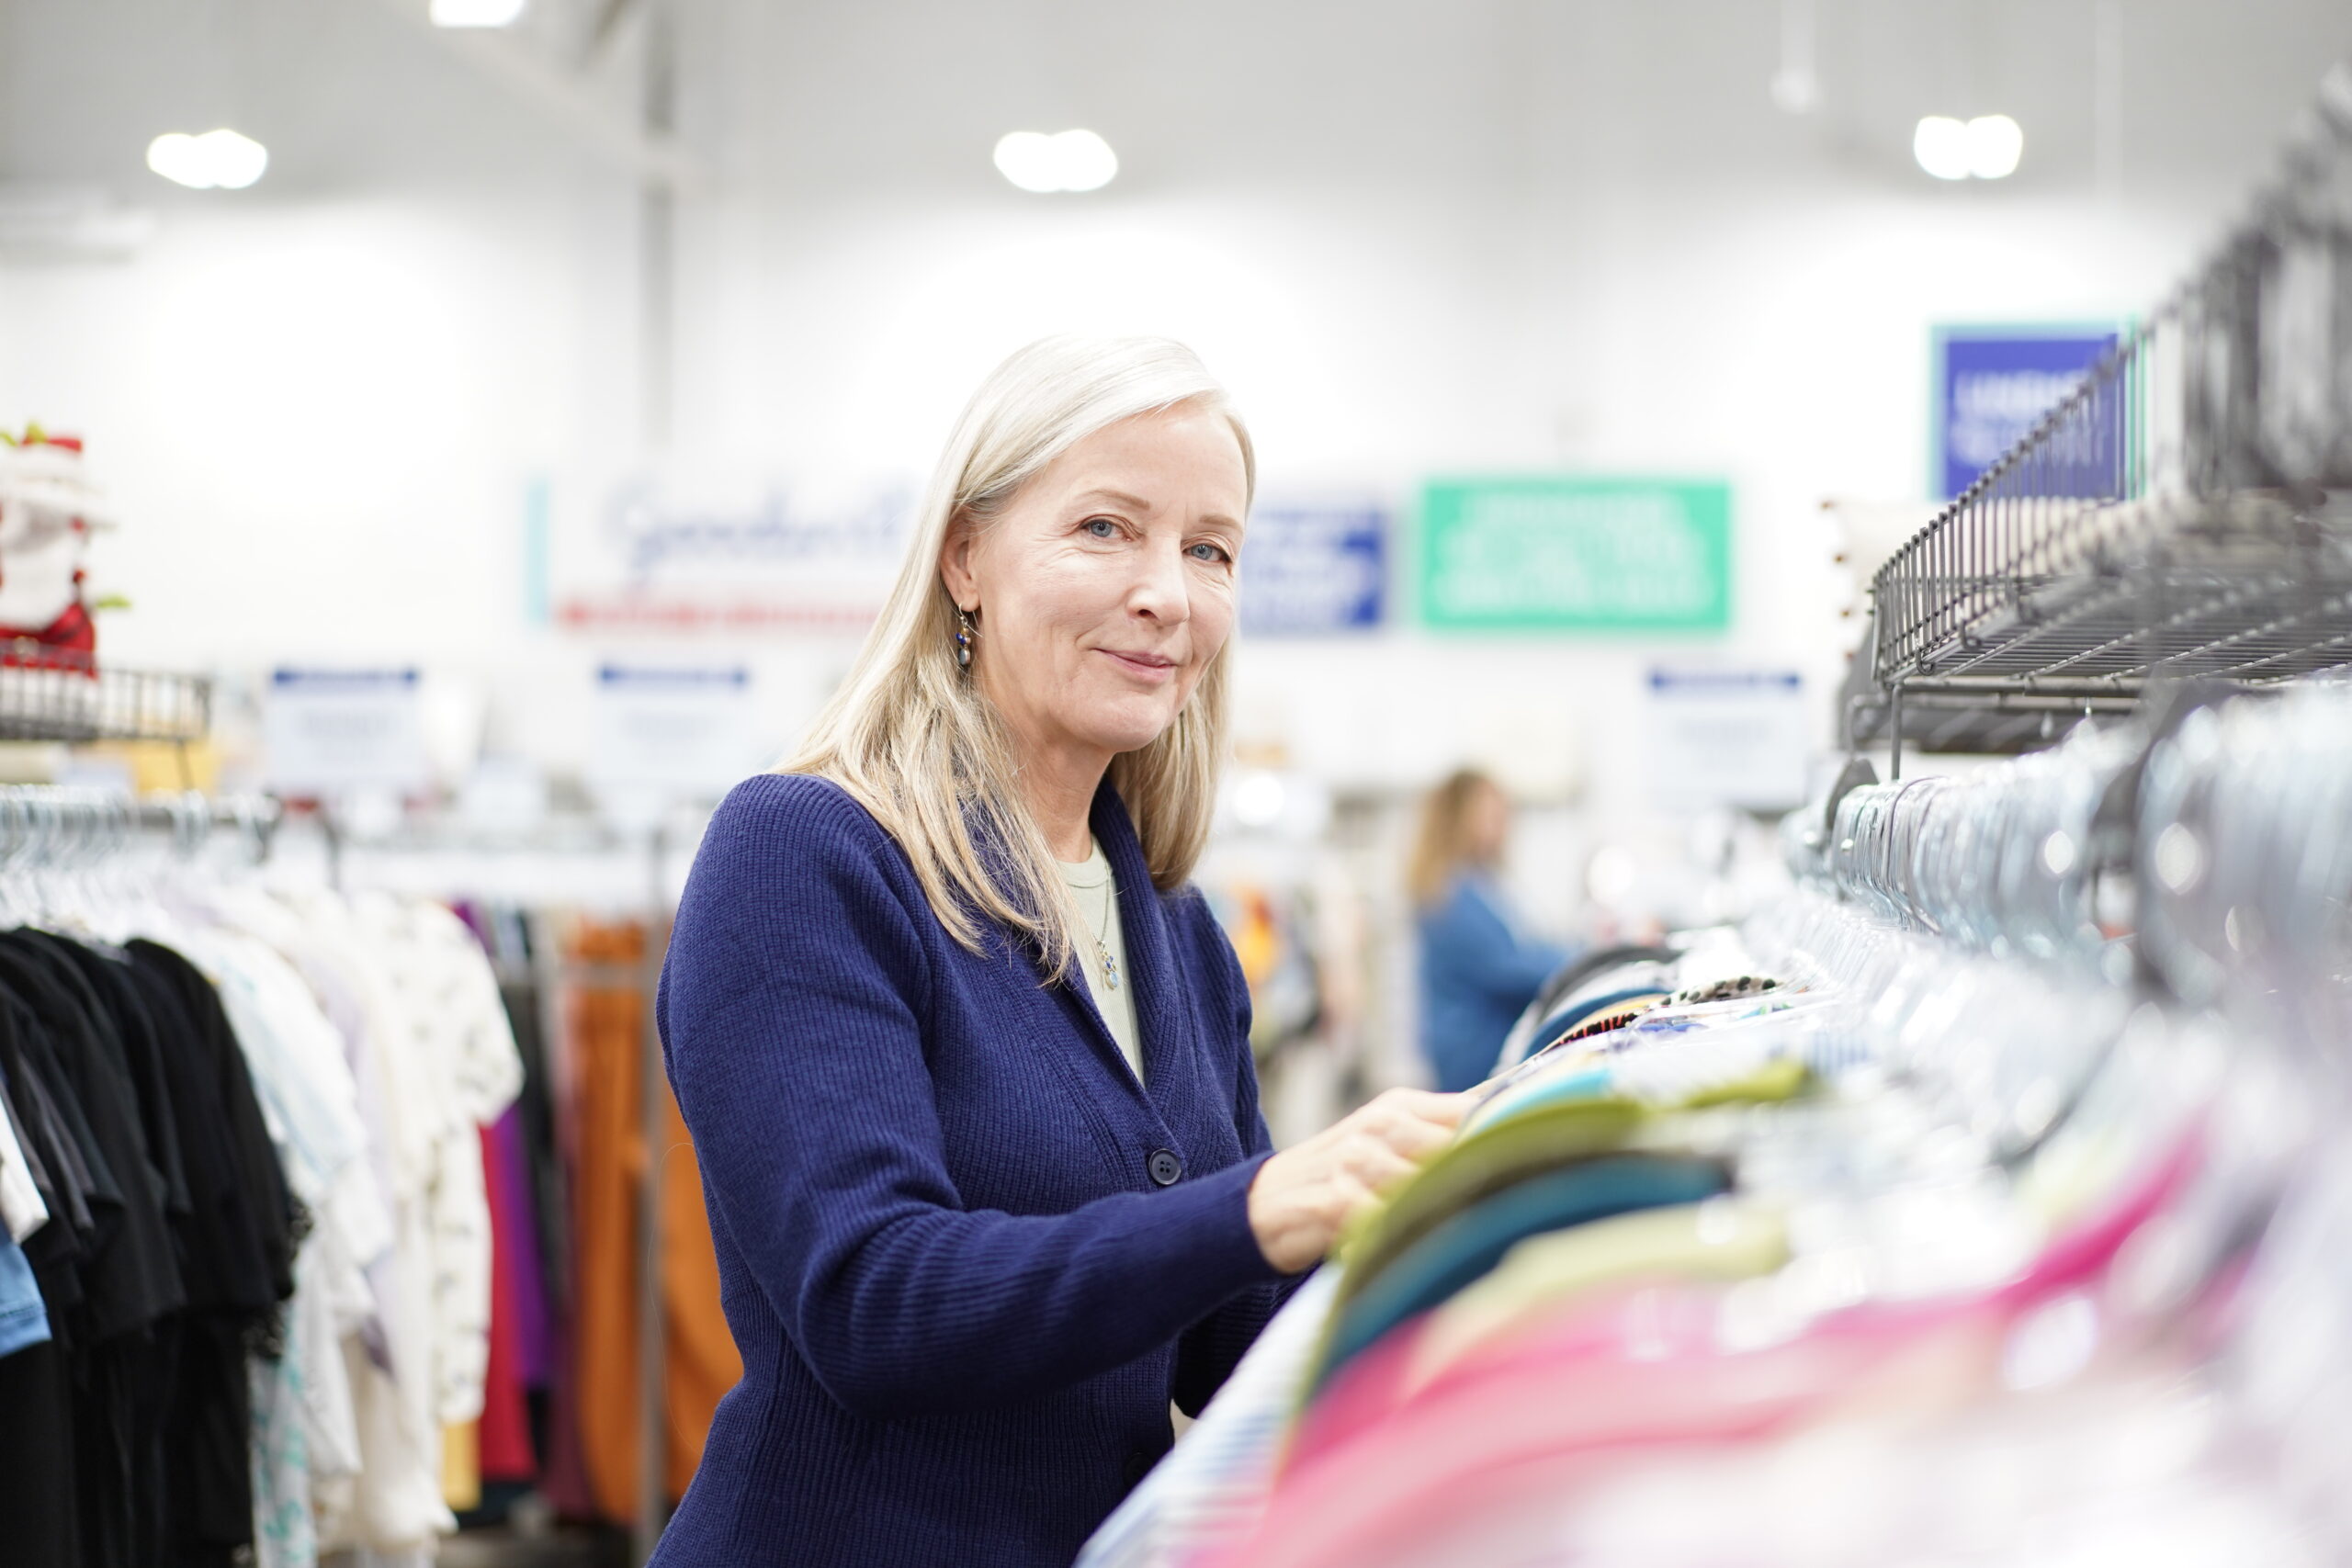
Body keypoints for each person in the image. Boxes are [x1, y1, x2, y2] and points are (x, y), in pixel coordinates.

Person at [652, 336, 1465, 1568]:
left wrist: (1475, 1281)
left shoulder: (1177, 927)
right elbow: (873, 1298)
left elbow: (1224, 1330)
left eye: (1210, 549)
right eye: (1106, 528)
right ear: (965, 556)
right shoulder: (804, 856)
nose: (1168, 594)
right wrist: (1260, 1200)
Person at [1409, 768, 1572, 1091]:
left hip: (1475, 1043)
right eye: (1489, 814)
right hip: (1474, 1049)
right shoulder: (1453, 892)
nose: (1502, 825)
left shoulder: (1477, 883)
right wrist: (1589, 956)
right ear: (1457, 818)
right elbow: (1509, 967)